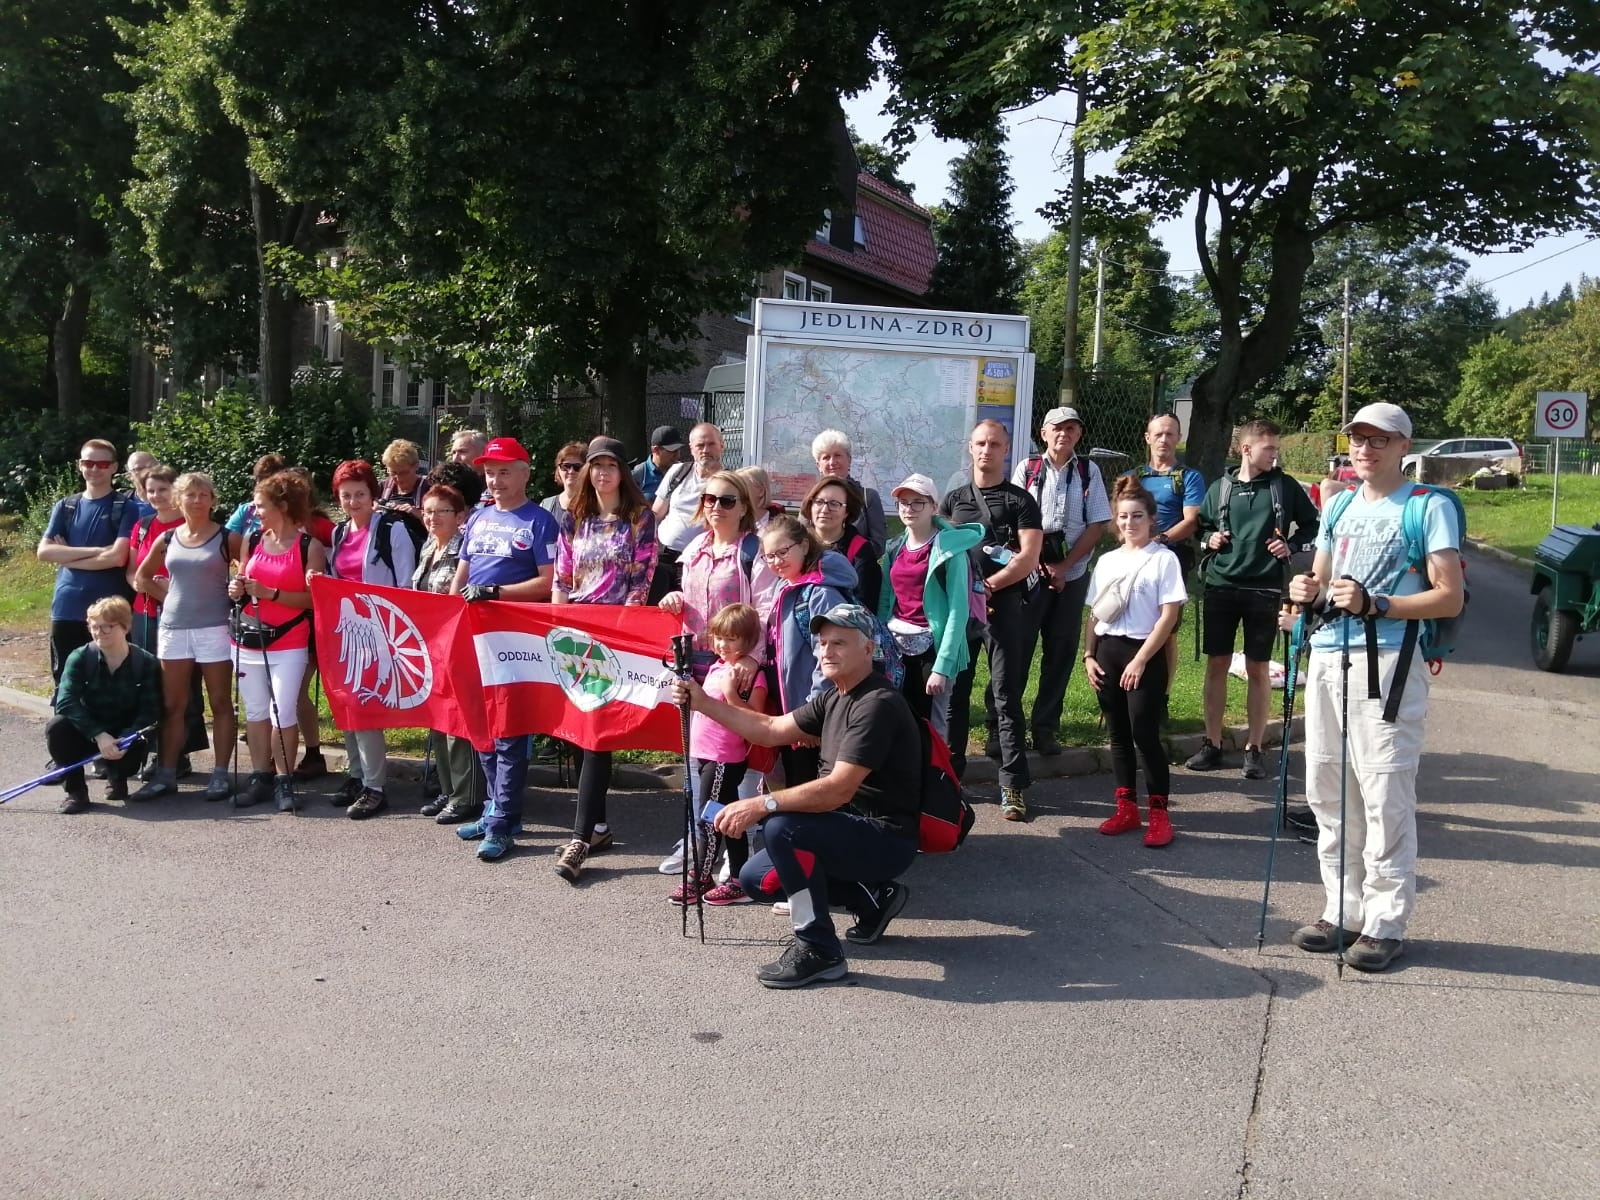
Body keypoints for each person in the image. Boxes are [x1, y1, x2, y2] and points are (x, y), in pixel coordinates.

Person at [1286, 403, 1463, 973]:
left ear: (1404, 446)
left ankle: (1385, 922)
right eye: (1357, 438)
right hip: (1329, 656)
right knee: (1328, 789)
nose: (1365, 448)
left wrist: (1379, 603)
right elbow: (1319, 580)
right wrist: (1303, 589)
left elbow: (1449, 595)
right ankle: (1342, 909)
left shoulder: (1427, 507)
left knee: (1384, 792)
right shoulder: (1337, 504)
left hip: (1389, 659)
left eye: (1379, 440)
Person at [673, 602, 920, 989]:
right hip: (848, 828)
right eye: (821, 643)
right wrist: (704, 703)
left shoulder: (877, 704)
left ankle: (818, 947)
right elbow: (770, 729)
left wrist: (761, 803)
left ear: (869, 649)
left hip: (885, 836)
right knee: (758, 878)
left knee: (782, 827)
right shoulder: (835, 696)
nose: (826, 652)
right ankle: (872, 897)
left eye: (839, 642)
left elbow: (838, 788)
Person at [549, 436, 658, 882]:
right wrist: (556, 625)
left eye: (611, 464)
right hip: (576, 635)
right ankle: (596, 826)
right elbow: (562, 575)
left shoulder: (639, 518)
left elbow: (642, 577)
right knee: (580, 733)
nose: (602, 473)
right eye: (596, 465)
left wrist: (620, 631)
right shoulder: (576, 517)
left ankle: (579, 839)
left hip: (614, 636)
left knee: (596, 733)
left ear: (622, 472)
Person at [1188, 418, 1319, 779]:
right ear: (1246, 449)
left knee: (1258, 668)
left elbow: (1313, 525)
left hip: (1263, 588)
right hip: (1221, 585)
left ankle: (1255, 748)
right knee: (1217, 664)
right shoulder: (1220, 487)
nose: (1275, 454)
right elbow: (1202, 528)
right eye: (1269, 448)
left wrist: (1290, 545)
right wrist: (1209, 541)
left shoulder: (1284, 487)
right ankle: (1211, 743)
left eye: (1276, 448)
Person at [452, 437, 558, 862]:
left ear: (525, 472)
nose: (495, 480)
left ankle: (502, 823)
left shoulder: (540, 521)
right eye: (490, 472)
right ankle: (500, 808)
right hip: (472, 635)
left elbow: (548, 583)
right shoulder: (478, 518)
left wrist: (496, 592)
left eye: (504, 471)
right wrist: (451, 602)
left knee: (509, 729)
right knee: (481, 725)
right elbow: (461, 574)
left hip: (513, 640)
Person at [942, 419, 1042, 822]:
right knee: (954, 699)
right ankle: (949, 782)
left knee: (1005, 697)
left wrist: (988, 587)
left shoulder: (1020, 501)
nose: (986, 450)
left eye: (994, 444)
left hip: (1004, 609)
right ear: (971, 448)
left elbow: (1029, 557)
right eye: (980, 443)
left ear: (1006, 450)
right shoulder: (953, 500)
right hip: (962, 614)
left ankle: (1013, 786)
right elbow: (943, 554)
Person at [1083, 478, 1189, 847]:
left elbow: (1168, 617)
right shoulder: (1107, 561)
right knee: (1117, 735)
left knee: (1144, 733)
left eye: (1137, 516)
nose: (1130, 523)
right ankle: (1126, 808)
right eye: (1123, 517)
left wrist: (1142, 660)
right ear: (1115, 520)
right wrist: (1088, 655)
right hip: (1108, 653)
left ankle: (1159, 814)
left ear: (1151, 518)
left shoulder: (1164, 560)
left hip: (1143, 654)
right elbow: (1095, 616)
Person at [317, 459, 421, 819]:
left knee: (364, 708)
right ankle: (357, 775)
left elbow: (407, 582)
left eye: (359, 494)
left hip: (382, 630)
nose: (352, 502)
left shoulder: (391, 529)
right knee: (347, 704)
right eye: (345, 495)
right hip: (349, 632)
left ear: (372, 494)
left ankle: (375, 787)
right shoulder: (339, 534)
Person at [129, 473, 238, 803]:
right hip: (174, 629)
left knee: (220, 703)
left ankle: (220, 774)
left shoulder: (227, 537)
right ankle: (166, 773)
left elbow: (249, 573)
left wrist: (236, 588)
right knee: (173, 704)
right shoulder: (167, 539)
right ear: (179, 500)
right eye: (191, 494)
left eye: (204, 494)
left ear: (212, 500)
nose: (197, 500)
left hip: (214, 628)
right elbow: (141, 577)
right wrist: (167, 594)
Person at [1012, 406, 1111, 757]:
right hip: (1030, 575)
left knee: (1060, 654)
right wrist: (1036, 563)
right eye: (1057, 428)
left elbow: (1097, 523)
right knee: (1017, 651)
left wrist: (1065, 565)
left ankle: (1045, 729)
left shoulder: (1088, 471)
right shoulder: (1027, 469)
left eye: (1071, 429)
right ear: (1044, 432)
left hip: (1073, 576)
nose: (1064, 434)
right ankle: (1005, 728)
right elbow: (1015, 521)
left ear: (1079, 435)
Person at [228, 470, 326, 811]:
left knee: (282, 711)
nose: (255, 513)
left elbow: (314, 599)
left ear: (282, 505)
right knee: (256, 711)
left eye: (261, 506)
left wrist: (272, 593)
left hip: (288, 641)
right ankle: (260, 776)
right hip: (247, 639)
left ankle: (284, 778)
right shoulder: (253, 539)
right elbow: (241, 579)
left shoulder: (308, 547)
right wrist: (237, 589)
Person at [672, 602, 768, 907]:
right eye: (718, 638)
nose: (722, 645)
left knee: (709, 818)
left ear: (749, 642)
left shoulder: (752, 676)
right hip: (705, 755)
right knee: (727, 818)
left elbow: (757, 719)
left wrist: (730, 694)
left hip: (726, 758)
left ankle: (701, 875)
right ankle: (739, 878)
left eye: (731, 639)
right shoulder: (716, 666)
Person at [876, 474, 981, 739]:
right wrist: (878, 645)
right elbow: (886, 600)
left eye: (917, 503)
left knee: (931, 728)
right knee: (896, 721)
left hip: (931, 650)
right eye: (903, 503)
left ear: (934, 507)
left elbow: (959, 610)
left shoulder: (950, 551)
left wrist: (942, 667)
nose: (908, 509)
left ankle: (935, 779)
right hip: (896, 646)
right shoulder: (894, 548)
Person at [760, 516, 857, 788]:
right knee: (796, 783)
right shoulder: (786, 586)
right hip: (791, 710)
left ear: (804, 545)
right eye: (770, 556)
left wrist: (811, 715)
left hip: (812, 713)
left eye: (783, 552)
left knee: (812, 786)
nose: (777, 561)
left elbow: (829, 658)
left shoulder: (821, 593)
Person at [412, 482, 486, 822]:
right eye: (427, 511)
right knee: (438, 720)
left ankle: (467, 794)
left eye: (440, 511)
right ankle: (448, 789)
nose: (431, 518)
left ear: (460, 516)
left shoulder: (464, 551)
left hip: (459, 644)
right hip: (430, 645)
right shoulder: (430, 547)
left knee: (458, 721)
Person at [37, 439, 138, 686]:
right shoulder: (66, 506)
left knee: (109, 683)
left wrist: (68, 555)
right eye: (88, 463)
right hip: (66, 608)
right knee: (66, 684)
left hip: (110, 611)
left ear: (114, 467)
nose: (94, 469)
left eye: (102, 464)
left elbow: (117, 557)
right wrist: (95, 551)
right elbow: (44, 552)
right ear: (79, 466)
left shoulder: (126, 507)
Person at [46, 597, 161, 813]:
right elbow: (66, 701)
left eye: (108, 626)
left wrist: (126, 738)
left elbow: (150, 710)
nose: (100, 632)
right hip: (90, 731)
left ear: (125, 627)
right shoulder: (80, 657)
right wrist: (99, 735)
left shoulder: (145, 662)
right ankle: (76, 792)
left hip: (125, 736)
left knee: (131, 752)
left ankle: (117, 777)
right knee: (57, 727)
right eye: (95, 627)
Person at [1123, 413, 1206, 695]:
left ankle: (1162, 697)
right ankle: (1127, 687)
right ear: (1147, 438)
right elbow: (1117, 518)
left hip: (1170, 559)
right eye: (1158, 434)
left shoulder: (1189, 477)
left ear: (1178, 438)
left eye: (1170, 434)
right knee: (1131, 624)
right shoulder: (1132, 478)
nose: (1164, 439)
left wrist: (1158, 540)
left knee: (1166, 629)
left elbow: (1191, 520)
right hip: (1134, 560)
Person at [650, 422, 726, 603]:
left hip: (700, 563)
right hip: (663, 557)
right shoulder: (677, 472)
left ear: (722, 446)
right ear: (691, 449)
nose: (705, 450)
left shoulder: (729, 483)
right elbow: (657, 513)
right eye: (700, 445)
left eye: (711, 444)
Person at [800, 475, 880, 610]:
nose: (825, 510)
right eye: (819, 502)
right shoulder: (797, 542)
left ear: (847, 512)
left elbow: (865, 604)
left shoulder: (860, 549)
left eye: (834, 504)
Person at [126, 464, 183, 653]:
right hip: (145, 611)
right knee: (146, 671)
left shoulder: (190, 525)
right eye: (150, 490)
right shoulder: (142, 526)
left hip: (183, 611)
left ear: (176, 489)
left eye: (162, 489)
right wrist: (138, 584)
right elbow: (132, 571)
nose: (156, 495)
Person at [812, 429, 886, 557]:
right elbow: (800, 539)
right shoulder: (811, 498)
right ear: (818, 465)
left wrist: (847, 558)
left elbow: (879, 545)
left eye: (838, 455)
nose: (832, 462)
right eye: (826, 457)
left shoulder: (868, 497)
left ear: (849, 460)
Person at [223, 454, 289, 541]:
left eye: (266, 480)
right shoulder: (247, 511)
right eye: (259, 479)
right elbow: (224, 541)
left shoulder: (294, 515)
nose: (260, 485)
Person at [633, 425, 685, 502]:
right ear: (656, 450)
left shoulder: (683, 472)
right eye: (672, 450)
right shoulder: (638, 475)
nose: (677, 455)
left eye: (678, 450)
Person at [378, 438, 426, 509]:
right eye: (393, 473)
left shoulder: (428, 488)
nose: (399, 478)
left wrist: (417, 514)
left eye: (403, 473)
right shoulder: (382, 488)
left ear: (416, 466)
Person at [125, 450, 158, 519]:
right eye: (139, 469)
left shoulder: (175, 500)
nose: (147, 471)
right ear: (129, 475)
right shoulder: (121, 504)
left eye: (151, 467)